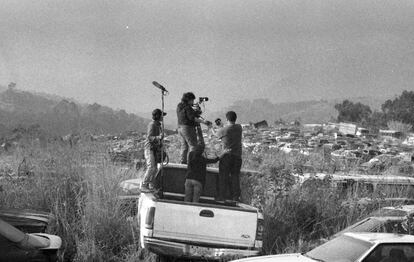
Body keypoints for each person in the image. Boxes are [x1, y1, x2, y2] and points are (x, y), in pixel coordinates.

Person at [176, 92, 211, 164]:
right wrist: (204, 122)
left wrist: (196, 111)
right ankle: (191, 163)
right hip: (187, 128)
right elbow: (192, 118)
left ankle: (183, 162)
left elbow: (191, 114)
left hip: (180, 128)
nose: (193, 102)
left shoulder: (179, 106)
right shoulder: (188, 107)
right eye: (192, 100)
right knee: (193, 146)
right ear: (188, 100)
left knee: (184, 146)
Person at [215, 111, 242, 202]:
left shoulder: (223, 130)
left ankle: (221, 197)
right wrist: (222, 125)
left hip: (226, 156)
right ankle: (236, 197)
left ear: (226, 119)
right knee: (235, 177)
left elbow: (217, 135)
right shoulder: (239, 127)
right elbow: (229, 128)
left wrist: (213, 127)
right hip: (237, 156)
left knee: (223, 177)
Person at [141, 108, 166, 191]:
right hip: (149, 148)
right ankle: (144, 185)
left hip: (155, 149)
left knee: (155, 168)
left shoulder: (159, 126)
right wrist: (158, 137)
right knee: (151, 167)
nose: (163, 118)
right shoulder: (152, 125)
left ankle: (151, 184)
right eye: (162, 116)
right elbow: (149, 137)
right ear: (158, 116)